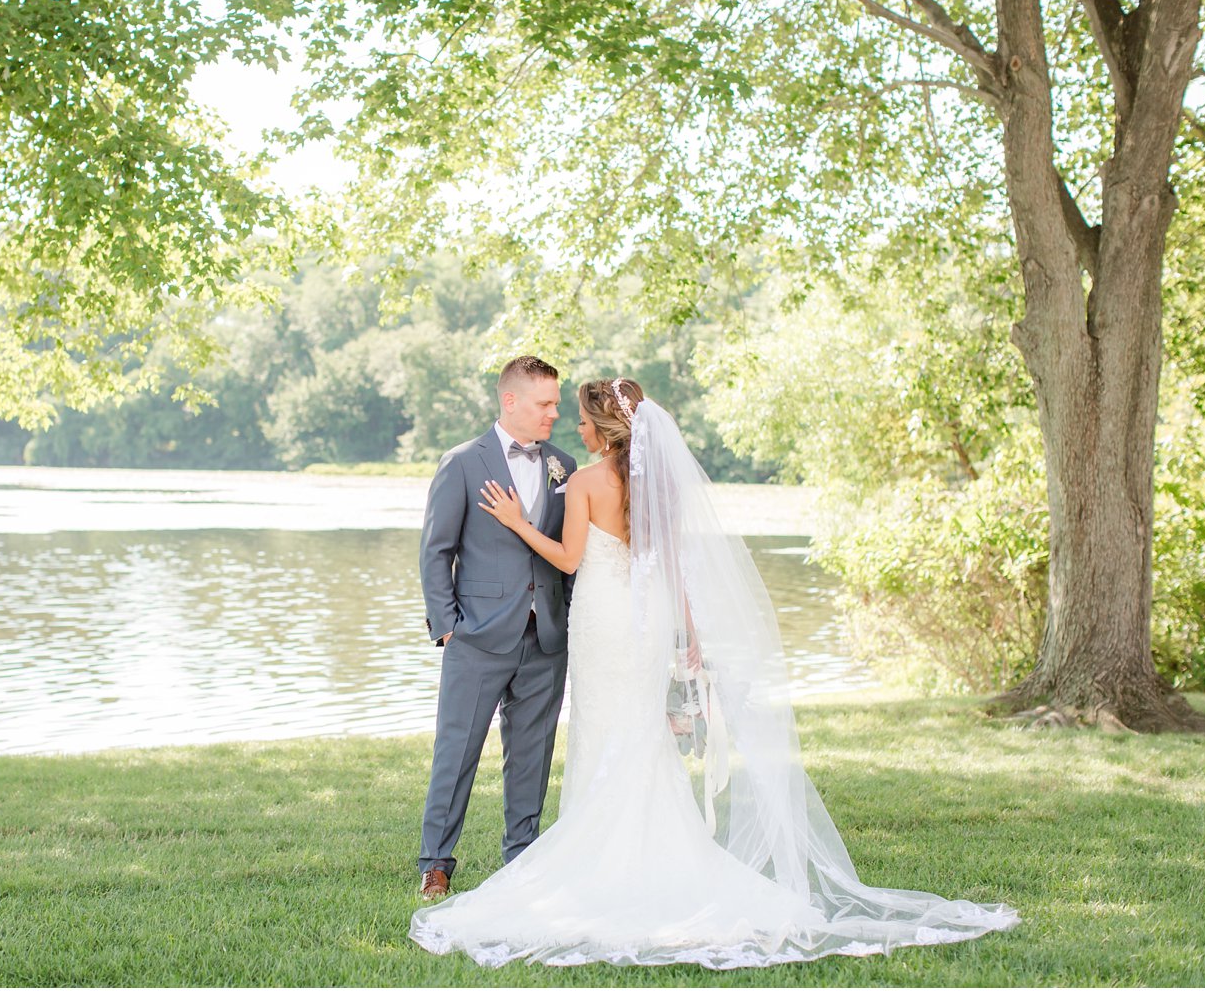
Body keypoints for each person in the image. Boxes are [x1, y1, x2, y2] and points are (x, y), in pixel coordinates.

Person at [409, 378, 1020, 968]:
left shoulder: (583, 479)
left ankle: (592, 861)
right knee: (641, 737)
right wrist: (689, 640)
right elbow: (674, 569)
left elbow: (569, 559)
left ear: (601, 429)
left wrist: (518, 522)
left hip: (600, 626)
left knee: (599, 735)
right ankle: (650, 855)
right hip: (645, 627)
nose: (571, 426)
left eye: (579, 418)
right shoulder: (658, 488)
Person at [416, 356, 580, 900]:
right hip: (477, 637)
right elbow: (436, 551)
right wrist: (447, 627)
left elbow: (571, 556)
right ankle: (436, 862)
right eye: (545, 404)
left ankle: (523, 860)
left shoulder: (564, 466)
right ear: (510, 401)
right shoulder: (462, 462)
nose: (555, 413)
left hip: (546, 639)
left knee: (532, 757)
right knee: (456, 753)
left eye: (557, 403)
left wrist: (572, 623)